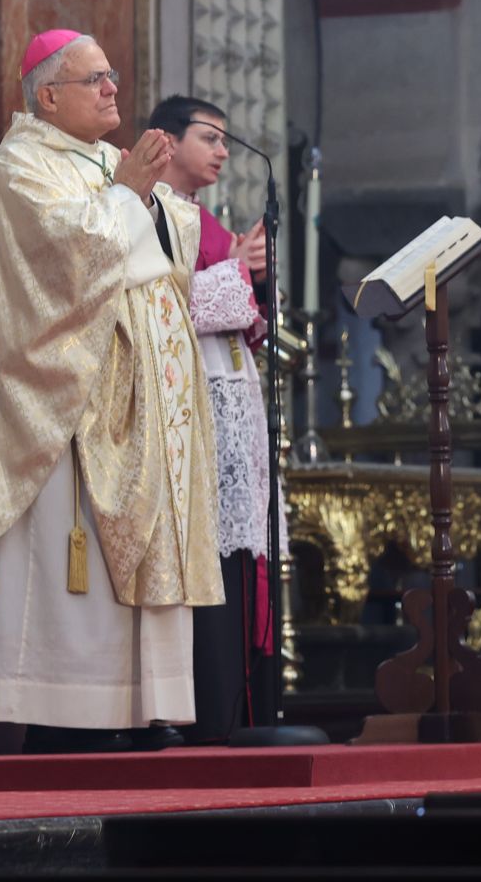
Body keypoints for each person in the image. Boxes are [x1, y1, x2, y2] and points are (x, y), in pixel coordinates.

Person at [0, 31, 223, 755]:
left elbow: (167, 251)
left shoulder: (108, 162)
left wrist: (155, 197)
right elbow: (69, 259)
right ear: (49, 97)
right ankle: (69, 712)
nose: (113, 89)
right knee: (77, 564)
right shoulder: (19, 170)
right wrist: (135, 194)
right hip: (69, 409)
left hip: (149, 403)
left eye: (112, 76)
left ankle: (150, 708)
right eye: (94, 79)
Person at [145, 95, 284, 742]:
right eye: (210, 137)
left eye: (227, 139)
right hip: (182, 408)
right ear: (167, 142)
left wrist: (252, 280)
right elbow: (154, 305)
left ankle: (241, 709)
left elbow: (241, 324)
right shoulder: (144, 212)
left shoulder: (211, 223)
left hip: (232, 406)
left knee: (237, 555)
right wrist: (236, 273)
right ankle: (206, 714)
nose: (224, 151)